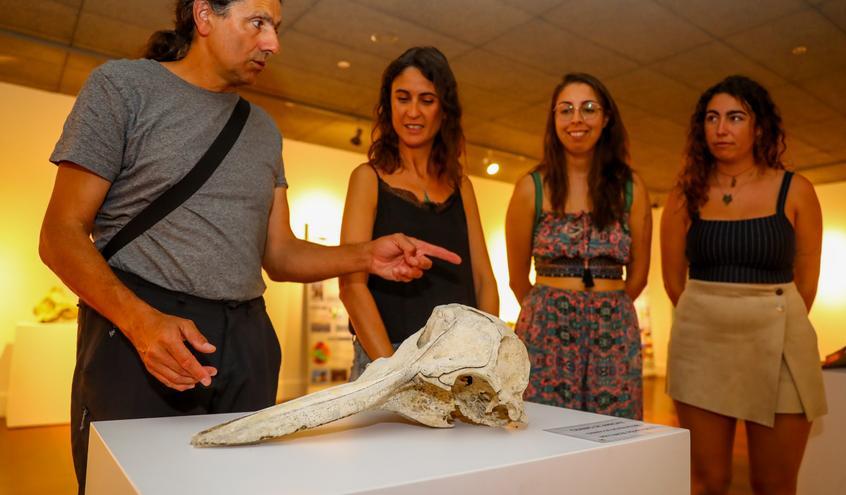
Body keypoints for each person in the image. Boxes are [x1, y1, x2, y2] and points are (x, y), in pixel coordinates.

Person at [38, 1, 459, 491]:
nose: (272, 44)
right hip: (141, 335)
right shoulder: (122, 88)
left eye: (275, 29)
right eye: (257, 23)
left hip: (246, 341)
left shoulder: (262, 129)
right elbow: (60, 234)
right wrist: (141, 323)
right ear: (204, 16)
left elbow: (279, 255)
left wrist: (366, 254)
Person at [660, 75, 827, 495]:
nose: (721, 129)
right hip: (701, 344)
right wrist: (714, 311)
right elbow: (673, 280)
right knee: (709, 481)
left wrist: (763, 313)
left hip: (781, 342)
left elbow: (806, 283)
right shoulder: (683, 196)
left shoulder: (797, 190)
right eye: (712, 118)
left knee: (774, 484)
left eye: (735, 117)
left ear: (759, 127)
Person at [340, 46, 498, 378]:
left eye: (427, 100)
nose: (413, 111)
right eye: (403, 98)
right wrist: (393, 371)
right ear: (388, 105)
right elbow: (352, 286)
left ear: (444, 110)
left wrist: (486, 352)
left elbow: (483, 279)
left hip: (459, 361)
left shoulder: (461, 186)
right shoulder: (367, 178)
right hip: (386, 356)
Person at [505, 73, 651, 419]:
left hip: (613, 329)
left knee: (614, 434)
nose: (576, 119)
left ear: (606, 118)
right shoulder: (532, 187)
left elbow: (640, 274)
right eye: (565, 110)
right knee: (545, 433)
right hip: (546, 331)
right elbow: (517, 279)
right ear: (553, 120)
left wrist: (606, 308)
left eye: (588, 109)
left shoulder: (631, 187)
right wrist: (551, 307)